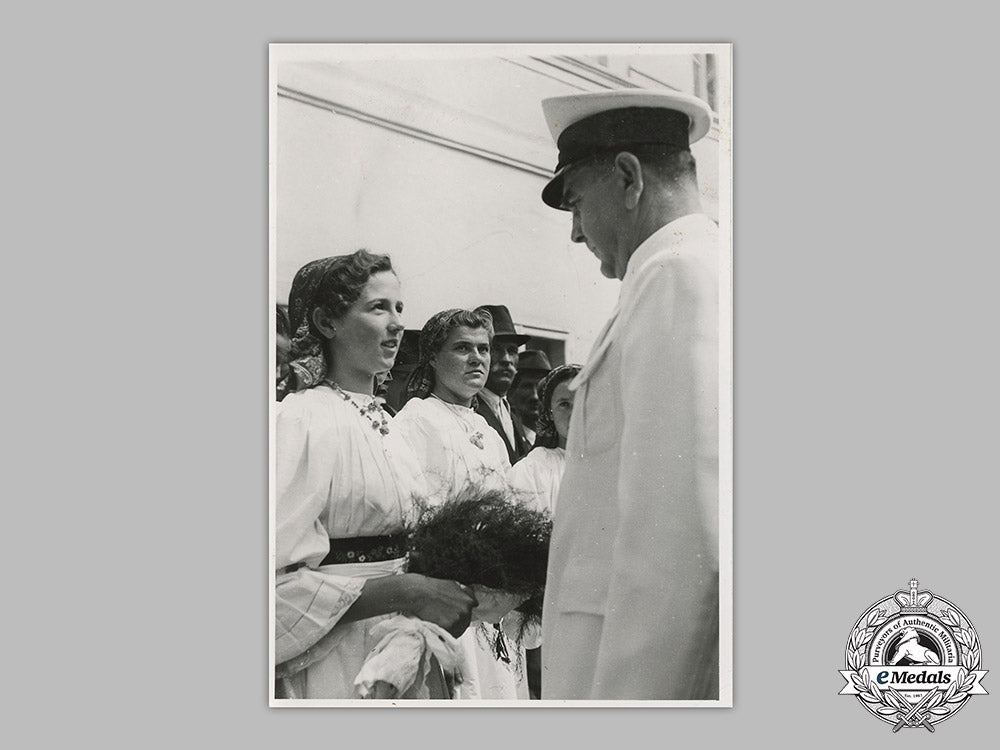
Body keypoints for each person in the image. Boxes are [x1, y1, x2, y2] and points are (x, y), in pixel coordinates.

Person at [538, 89, 721, 700]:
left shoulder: (676, 278)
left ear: (626, 177)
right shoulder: (693, 269)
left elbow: (680, 546)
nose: (572, 233)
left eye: (575, 203)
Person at [274, 251, 477, 699]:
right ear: (327, 322)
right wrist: (404, 591)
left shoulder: (386, 421)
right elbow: (275, 585)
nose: (397, 323)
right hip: (339, 663)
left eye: (399, 308)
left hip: (402, 651)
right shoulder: (301, 421)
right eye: (378, 307)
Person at [394, 308, 527, 700]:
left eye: (484, 349)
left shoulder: (488, 431)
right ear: (433, 357)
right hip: (449, 596)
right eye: (462, 348)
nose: (478, 359)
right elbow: (417, 516)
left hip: (495, 598)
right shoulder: (416, 420)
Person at [507, 363, 580, 699]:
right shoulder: (534, 470)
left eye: (584, 399)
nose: (576, 410)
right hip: (554, 612)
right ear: (549, 412)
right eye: (564, 403)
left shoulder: (619, 466)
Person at [473, 304, 531, 464]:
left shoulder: (512, 414)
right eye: (496, 349)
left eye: (512, 351)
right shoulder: (468, 409)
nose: (506, 359)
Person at [507, 350, 553, 447]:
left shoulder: (554, 441)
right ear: (511, 393)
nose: (535, 396)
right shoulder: (508, 438)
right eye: (527, 386)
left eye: (541, 387)